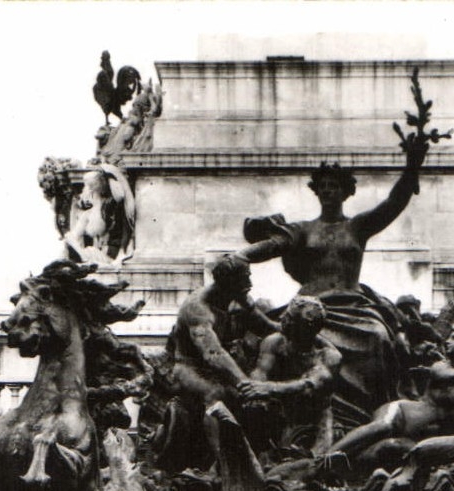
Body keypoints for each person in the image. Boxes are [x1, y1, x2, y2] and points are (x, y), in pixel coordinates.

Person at [234, 133, 431, 427]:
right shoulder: (303, 229)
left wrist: (412, 168)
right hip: (311, 310)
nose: (327, 191)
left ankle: (372, 415)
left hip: (354, 307)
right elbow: (273, 246)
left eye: (333, 186)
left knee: (378, 336)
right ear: (316, 191)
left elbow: (393, 203)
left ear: (346, 192)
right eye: (323, 186)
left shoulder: (357, 227)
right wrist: (240, 258)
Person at [325, 323, 454, 464]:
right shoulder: (442, 366)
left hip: (418, 437)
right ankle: (326, 458)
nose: (447, 341)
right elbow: (449, 376)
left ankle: (345, 465)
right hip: (402, 413)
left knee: (394, 448)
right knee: (382, 426)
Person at [154, 255, 275, 468]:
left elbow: (263, 323)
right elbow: (213, 353)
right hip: (188, 367)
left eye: (249, 278)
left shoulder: (238, 294)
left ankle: (261, 456)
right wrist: (246, 383)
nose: (250, 284)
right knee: (216, 393)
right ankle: (220, 464)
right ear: (227, 283)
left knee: (259, 399)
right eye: (244, 280)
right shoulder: (197, 308)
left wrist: (285, 330)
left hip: (218, 367)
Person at [238, 295, 343, 457]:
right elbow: (260, 373)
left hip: (313, 417)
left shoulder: (329, 356)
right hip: (280, 409)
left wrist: (268, 388)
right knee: (253, 406)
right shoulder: (274, 342)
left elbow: (308, 385)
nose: (281, 318)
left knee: (315, 461)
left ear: (304, 328)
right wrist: (255, 390)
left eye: (288, 318)